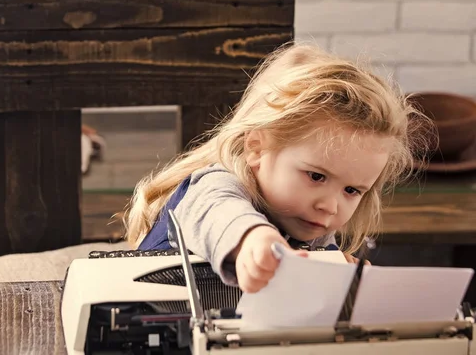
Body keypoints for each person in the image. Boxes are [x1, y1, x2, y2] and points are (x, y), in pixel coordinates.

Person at [122, 42, 432, 294]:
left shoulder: (311, 224)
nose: (329, 205)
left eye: (352, 190)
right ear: (257, 148)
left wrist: (341, 282)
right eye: (316, 176)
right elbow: (223, 215)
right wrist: (256, 241)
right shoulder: (214, 186)